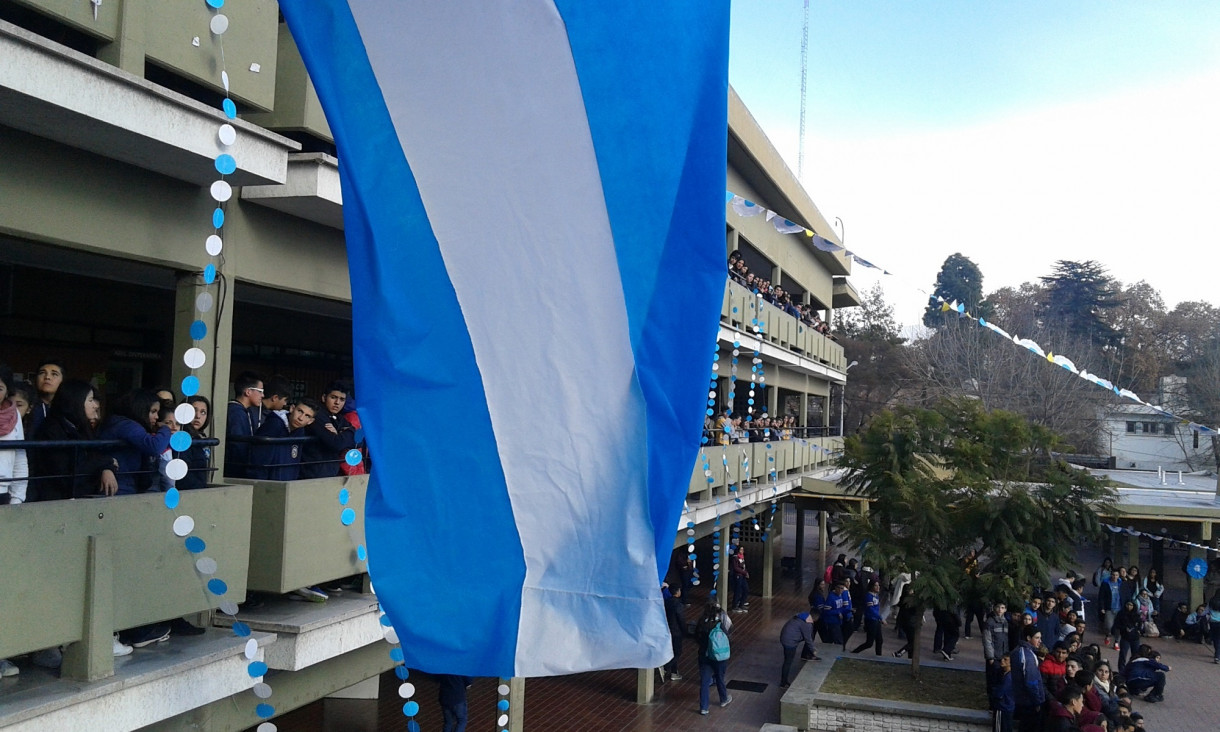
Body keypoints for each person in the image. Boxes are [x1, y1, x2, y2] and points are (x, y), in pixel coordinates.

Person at [29, 380, 119, 501]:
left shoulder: (79, 427)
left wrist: (107, 468)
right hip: (56, 502)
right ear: (76, 401)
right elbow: (68, 473)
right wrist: (106, 462)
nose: (96, 405)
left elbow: (94, 456)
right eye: (90, 400)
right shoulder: (51, 430)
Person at [97, 389, 173, 495]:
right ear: (141, 409)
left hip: (124, 484)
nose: (157, 417)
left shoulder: (119, 422)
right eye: (153, 411)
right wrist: (165, 429)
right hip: (120, 487)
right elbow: (154, 446)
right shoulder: (126, 425)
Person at [250, 396, 318, 481]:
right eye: (300, 411)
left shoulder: (300, 431)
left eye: (307, 416)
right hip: (268, 485)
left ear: (310, 421)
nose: (301, 418)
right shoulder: (274, 425)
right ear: (292, 408)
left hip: (288, 484)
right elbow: (259, 458)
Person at [299, 381, 358, 479]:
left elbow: (358, 440)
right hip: (311, 475)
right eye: (333, 397)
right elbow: (336, 443)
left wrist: (339, 434)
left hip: (329, 473)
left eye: (342, 399)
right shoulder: (317, 416)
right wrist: (343, 434)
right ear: (324, 398)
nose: (337, 402)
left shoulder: (340, 418)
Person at [695, 601, 733, 715]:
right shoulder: (719, 624)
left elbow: (696, 637)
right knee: (720, 678)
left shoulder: (701, 623)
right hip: (719, 657)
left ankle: (704, 707)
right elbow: (727, 637)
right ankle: (723, 699)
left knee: (705, 682)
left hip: (705, 656)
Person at [224, 371, 264, 478]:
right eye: (260, 391)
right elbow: (238, 446)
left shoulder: (244, 411)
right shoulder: (236, 412)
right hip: (236, 471)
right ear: (248, 392)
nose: (263, 395)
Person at [0, 364, 29, 506]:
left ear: (6, 392)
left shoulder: (14, 415)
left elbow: (20, 457)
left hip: (2, 491)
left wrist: (17, 497)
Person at [1010, 627, 1046, 732]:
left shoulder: (1019, 651)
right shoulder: (1028, 656)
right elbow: (1031, 682)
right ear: (1028, 638)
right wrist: (1037, 701)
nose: (1040, 641)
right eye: (1037, 638)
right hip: (1028, 701)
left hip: (1022, 698)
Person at [176, 396, 212, 490]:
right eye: (193, 411)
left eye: (203, 412)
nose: (198, 416)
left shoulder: (201, 438)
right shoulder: (181, 438)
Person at [779, 611, 818, 687]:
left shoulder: (800, 617)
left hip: (784, 638)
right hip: (790, 642)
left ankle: (784, 681)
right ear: (816, 619)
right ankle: (783, 682)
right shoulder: (807, 624)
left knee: (787, 660)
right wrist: (813, 650)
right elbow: (808, 639)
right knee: (788, 662)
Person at [29, 358, 64, 437]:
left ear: (62, 380)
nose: (47, 377)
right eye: (42, 373)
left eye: (54, 374)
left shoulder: (66, 408)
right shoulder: (28, 406)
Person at [850, 580, 884, 656]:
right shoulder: (868, 596)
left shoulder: (876, 596)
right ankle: (854, 652)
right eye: (876, 585)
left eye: (878, 586)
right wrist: (880, 617)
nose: (878, 587)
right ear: (871, 587)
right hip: (871, 620)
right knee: (869, 643)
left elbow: (877, 608)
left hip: (876, 620)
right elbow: (871, 609)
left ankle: (879, 656)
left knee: (879, 640)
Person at [662, 584, 686, 682]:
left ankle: (674, 672)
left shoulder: (666, 602)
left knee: (670, 650)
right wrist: (685, 630)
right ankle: (665, 668)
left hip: (667, 630)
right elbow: (681, 619)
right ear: (677, 592)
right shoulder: (678, 605)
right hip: (676, 631)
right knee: (677, 652)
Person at [1112, 600, 1141, 671]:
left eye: (1131, 605)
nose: (1129, 607)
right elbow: (1117, 624)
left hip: (1135, 637)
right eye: (1128, 605)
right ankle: (1121, 670)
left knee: (1135, 655)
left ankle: (1133, 669)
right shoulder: (1121, 614)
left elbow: (1139, 624)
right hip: (1125, 637)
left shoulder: (1136, 614)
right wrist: (1124, 628)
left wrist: (1137, 630)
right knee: (1123, 655)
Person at [990, 654, 1015, 732]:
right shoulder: (1009, 675)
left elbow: (1000, 692)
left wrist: (994, 693)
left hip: (1003, 706)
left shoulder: (1008, 677)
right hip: (1009, 706)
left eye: (1005, 659)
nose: (1002, 661)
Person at [730, 545, 750, 613]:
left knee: (746, 589)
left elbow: (744, 566)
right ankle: (735, 606)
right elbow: (735, 568)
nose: (742, 551)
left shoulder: (742, 557)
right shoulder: (735, 558)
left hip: (743, 575)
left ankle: (741, 604)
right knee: (738, 591)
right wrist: (744, 572)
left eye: (743, 550)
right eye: (741, 550)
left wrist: (746, 572)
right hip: (738, 576)